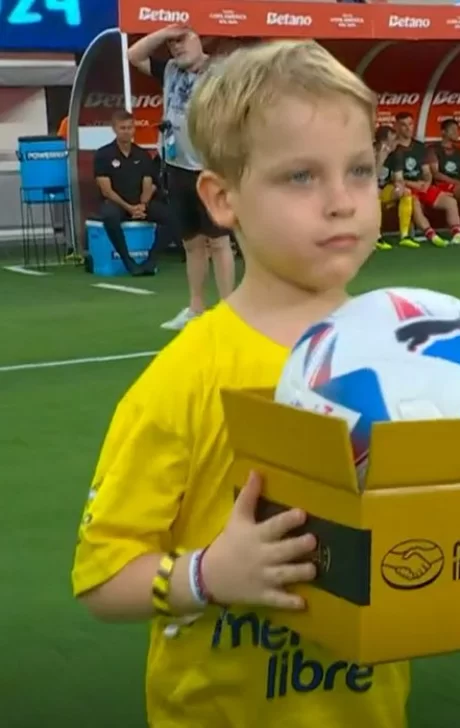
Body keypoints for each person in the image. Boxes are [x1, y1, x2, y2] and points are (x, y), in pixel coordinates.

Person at [72, 40, 409, 728]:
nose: (343, 202)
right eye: (300, 177)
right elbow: (103, 578)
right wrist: (207, 577)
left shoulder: (408, 351)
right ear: (223, 198)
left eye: (359, 170)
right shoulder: (188, 375)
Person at [128, 25, 236, 330]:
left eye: (182, 41)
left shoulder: (218, 72)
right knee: (192, 243)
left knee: (218, 241)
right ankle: (195, 307)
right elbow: (133, 54)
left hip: (209, 168)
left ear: (198, 38)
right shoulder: (170, 70)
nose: (176, 49)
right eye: (171, 44)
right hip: (176, 168)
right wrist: (164, 33)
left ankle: (228, 311)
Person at [94, 109, 174, 275]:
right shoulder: (103, 154)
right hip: (117, 204)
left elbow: (148, 182)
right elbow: (106, 190)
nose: (127, 131)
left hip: (140, 204)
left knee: (172, 216)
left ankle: (151, 260)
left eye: (130, 127)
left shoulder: (142, 154)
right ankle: (128, 261)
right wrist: (129, 208)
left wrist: (142, 205)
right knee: (110, 215)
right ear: (114, 129)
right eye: (123, 128)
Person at [392, 111, 460, 246]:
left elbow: (427, 171)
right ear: (397, 127)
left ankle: (457, 234)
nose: (408, 128)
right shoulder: (393, 148)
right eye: (403, 125)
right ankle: (432, 235)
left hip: (422, 185)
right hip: (405, 188)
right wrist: (415, 185)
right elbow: (396, 178)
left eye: (410, 124)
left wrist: (427, 183)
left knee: (450, 202)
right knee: (414, 202)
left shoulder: (419, 146)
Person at [374, 125, 419, 250]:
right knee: (374, 193)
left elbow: (398, 176)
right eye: (393, 140)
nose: (396, 143)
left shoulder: (396, 154)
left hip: (384, 190)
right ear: (384, 142)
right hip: (364, 192)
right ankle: (376, 238)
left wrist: (399, 184)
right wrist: (381, 158)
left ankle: (404, 237)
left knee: (406, 192)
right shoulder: (370, 152)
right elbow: (371, 178)